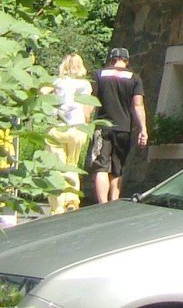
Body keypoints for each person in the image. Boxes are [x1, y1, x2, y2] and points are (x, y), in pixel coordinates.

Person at [86, 47, 147, 204]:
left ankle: (102, 203)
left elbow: (91, 101)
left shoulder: (99, 75)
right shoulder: (134, 78)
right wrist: (143, 129)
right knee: (117, 167)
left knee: (101, 167)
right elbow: (138, 105)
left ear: (111, 60)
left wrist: (86, 121)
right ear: (126, 61)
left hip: (102, 126)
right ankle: (114, 200)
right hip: (123, 129)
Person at [47, 54, 94, 211]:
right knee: (72, 165)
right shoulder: (86, 85)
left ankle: (57, 206)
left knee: (57, 168)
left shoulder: (57, 82)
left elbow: (42, 92)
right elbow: (88, 111)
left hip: (57, 127)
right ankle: (72, 200)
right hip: (77, 128)